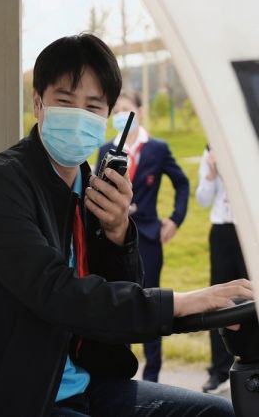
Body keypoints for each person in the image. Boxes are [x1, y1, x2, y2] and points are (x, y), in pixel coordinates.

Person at [0, 34, 251, 417]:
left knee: (218, 413)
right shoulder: (0, 187)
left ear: (107, 117)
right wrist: (180, 302)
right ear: (38, 103)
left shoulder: (88, 184)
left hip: (89, 384)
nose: (79, 115)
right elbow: (58, 292)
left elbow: (120, 297)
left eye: (92, 106)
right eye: (65, 101)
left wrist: (118, 232)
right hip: (22, 398)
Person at [96, 90, 190, 382]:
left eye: (126, 109)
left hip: (148, 236)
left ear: (140, 110)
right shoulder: (106, 150)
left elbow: (182, 182)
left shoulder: (157, 149)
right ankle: (120, 374)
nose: (120, 115)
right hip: (113, 239)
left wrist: (175, 219)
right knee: (118, 302)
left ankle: (152, 377)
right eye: (116, 111)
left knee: (152, 303)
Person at [196, 145, 249, 394]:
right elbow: (202, 199)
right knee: (218, 299)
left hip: (248, 229)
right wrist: (212, 172)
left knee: (252, 297)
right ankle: (219, 370)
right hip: (221, 231)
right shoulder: (211, 152)